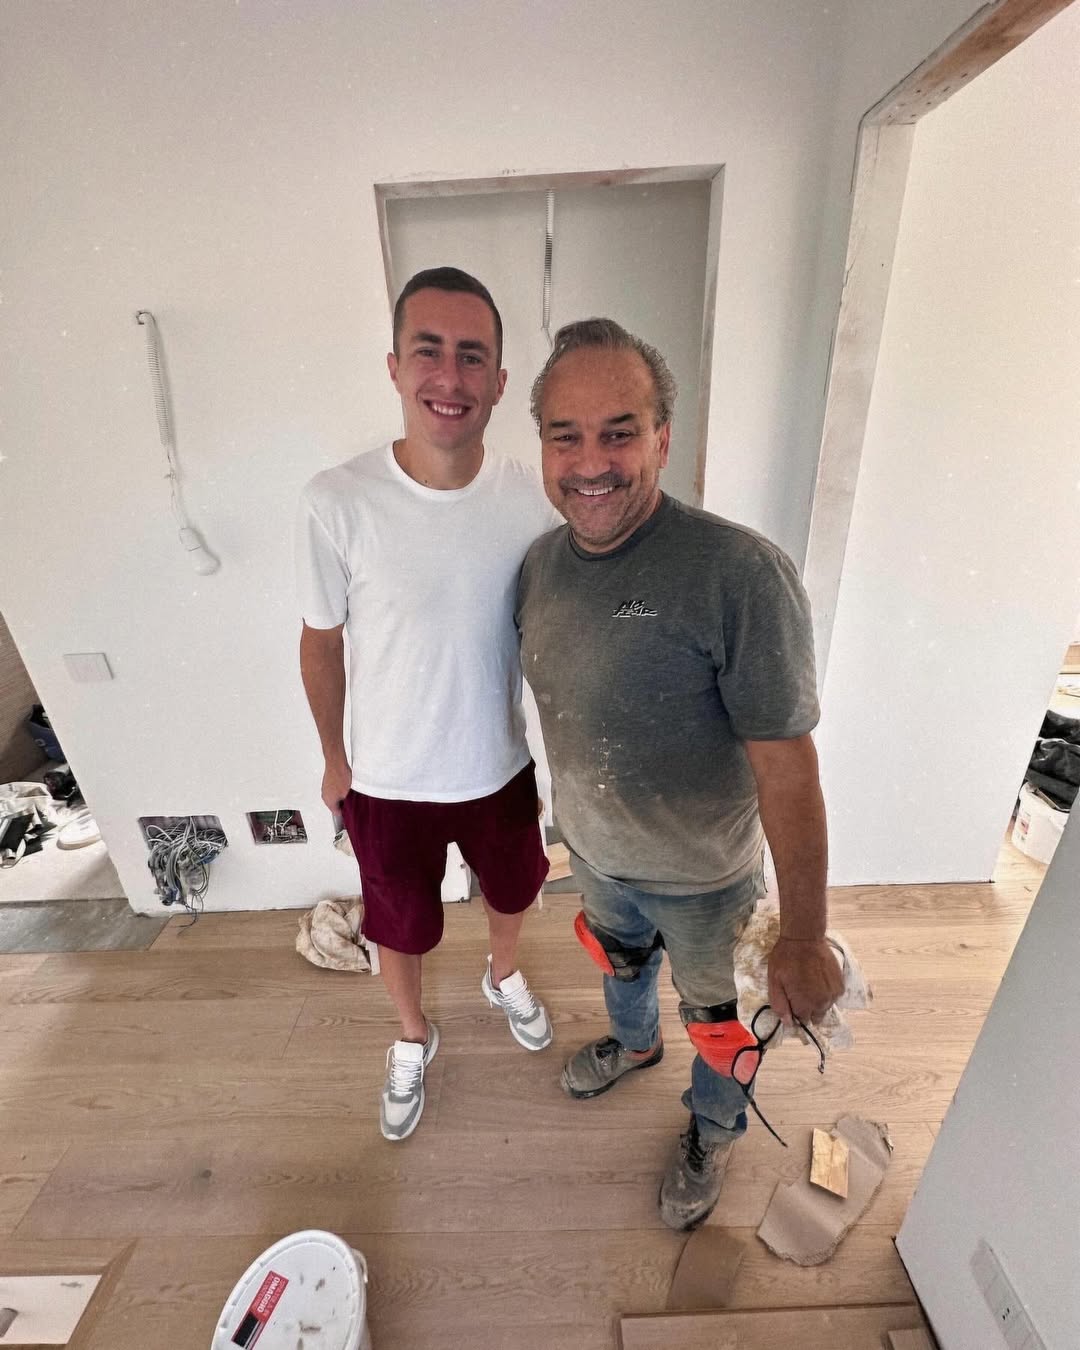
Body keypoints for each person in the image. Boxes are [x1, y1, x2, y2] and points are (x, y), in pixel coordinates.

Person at [516, 317, 844, 1229]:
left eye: (619, 432)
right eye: (566, 436)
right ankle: (633, 1048)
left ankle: (714, 1126)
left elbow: (789, 772)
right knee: (620, 967)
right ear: (542, 447)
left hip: (706, 883)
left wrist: (805, 935)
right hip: (597, 855)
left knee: (720, 1024)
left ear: (663, 438)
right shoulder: (539, 567)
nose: (591, 462)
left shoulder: (739, 575)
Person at [296, 267, 556, 1143]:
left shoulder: (534, 498)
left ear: (500, 381)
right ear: (395, 367)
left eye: (472, 356)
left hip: (498, 765)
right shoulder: (336, 500)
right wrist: (335, 760)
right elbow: (321, 640)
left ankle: (501, 975)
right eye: (429, 351)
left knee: (515, 889)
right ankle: (412, 1036)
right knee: (398, 926)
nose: (450, 376)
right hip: (387, 777)